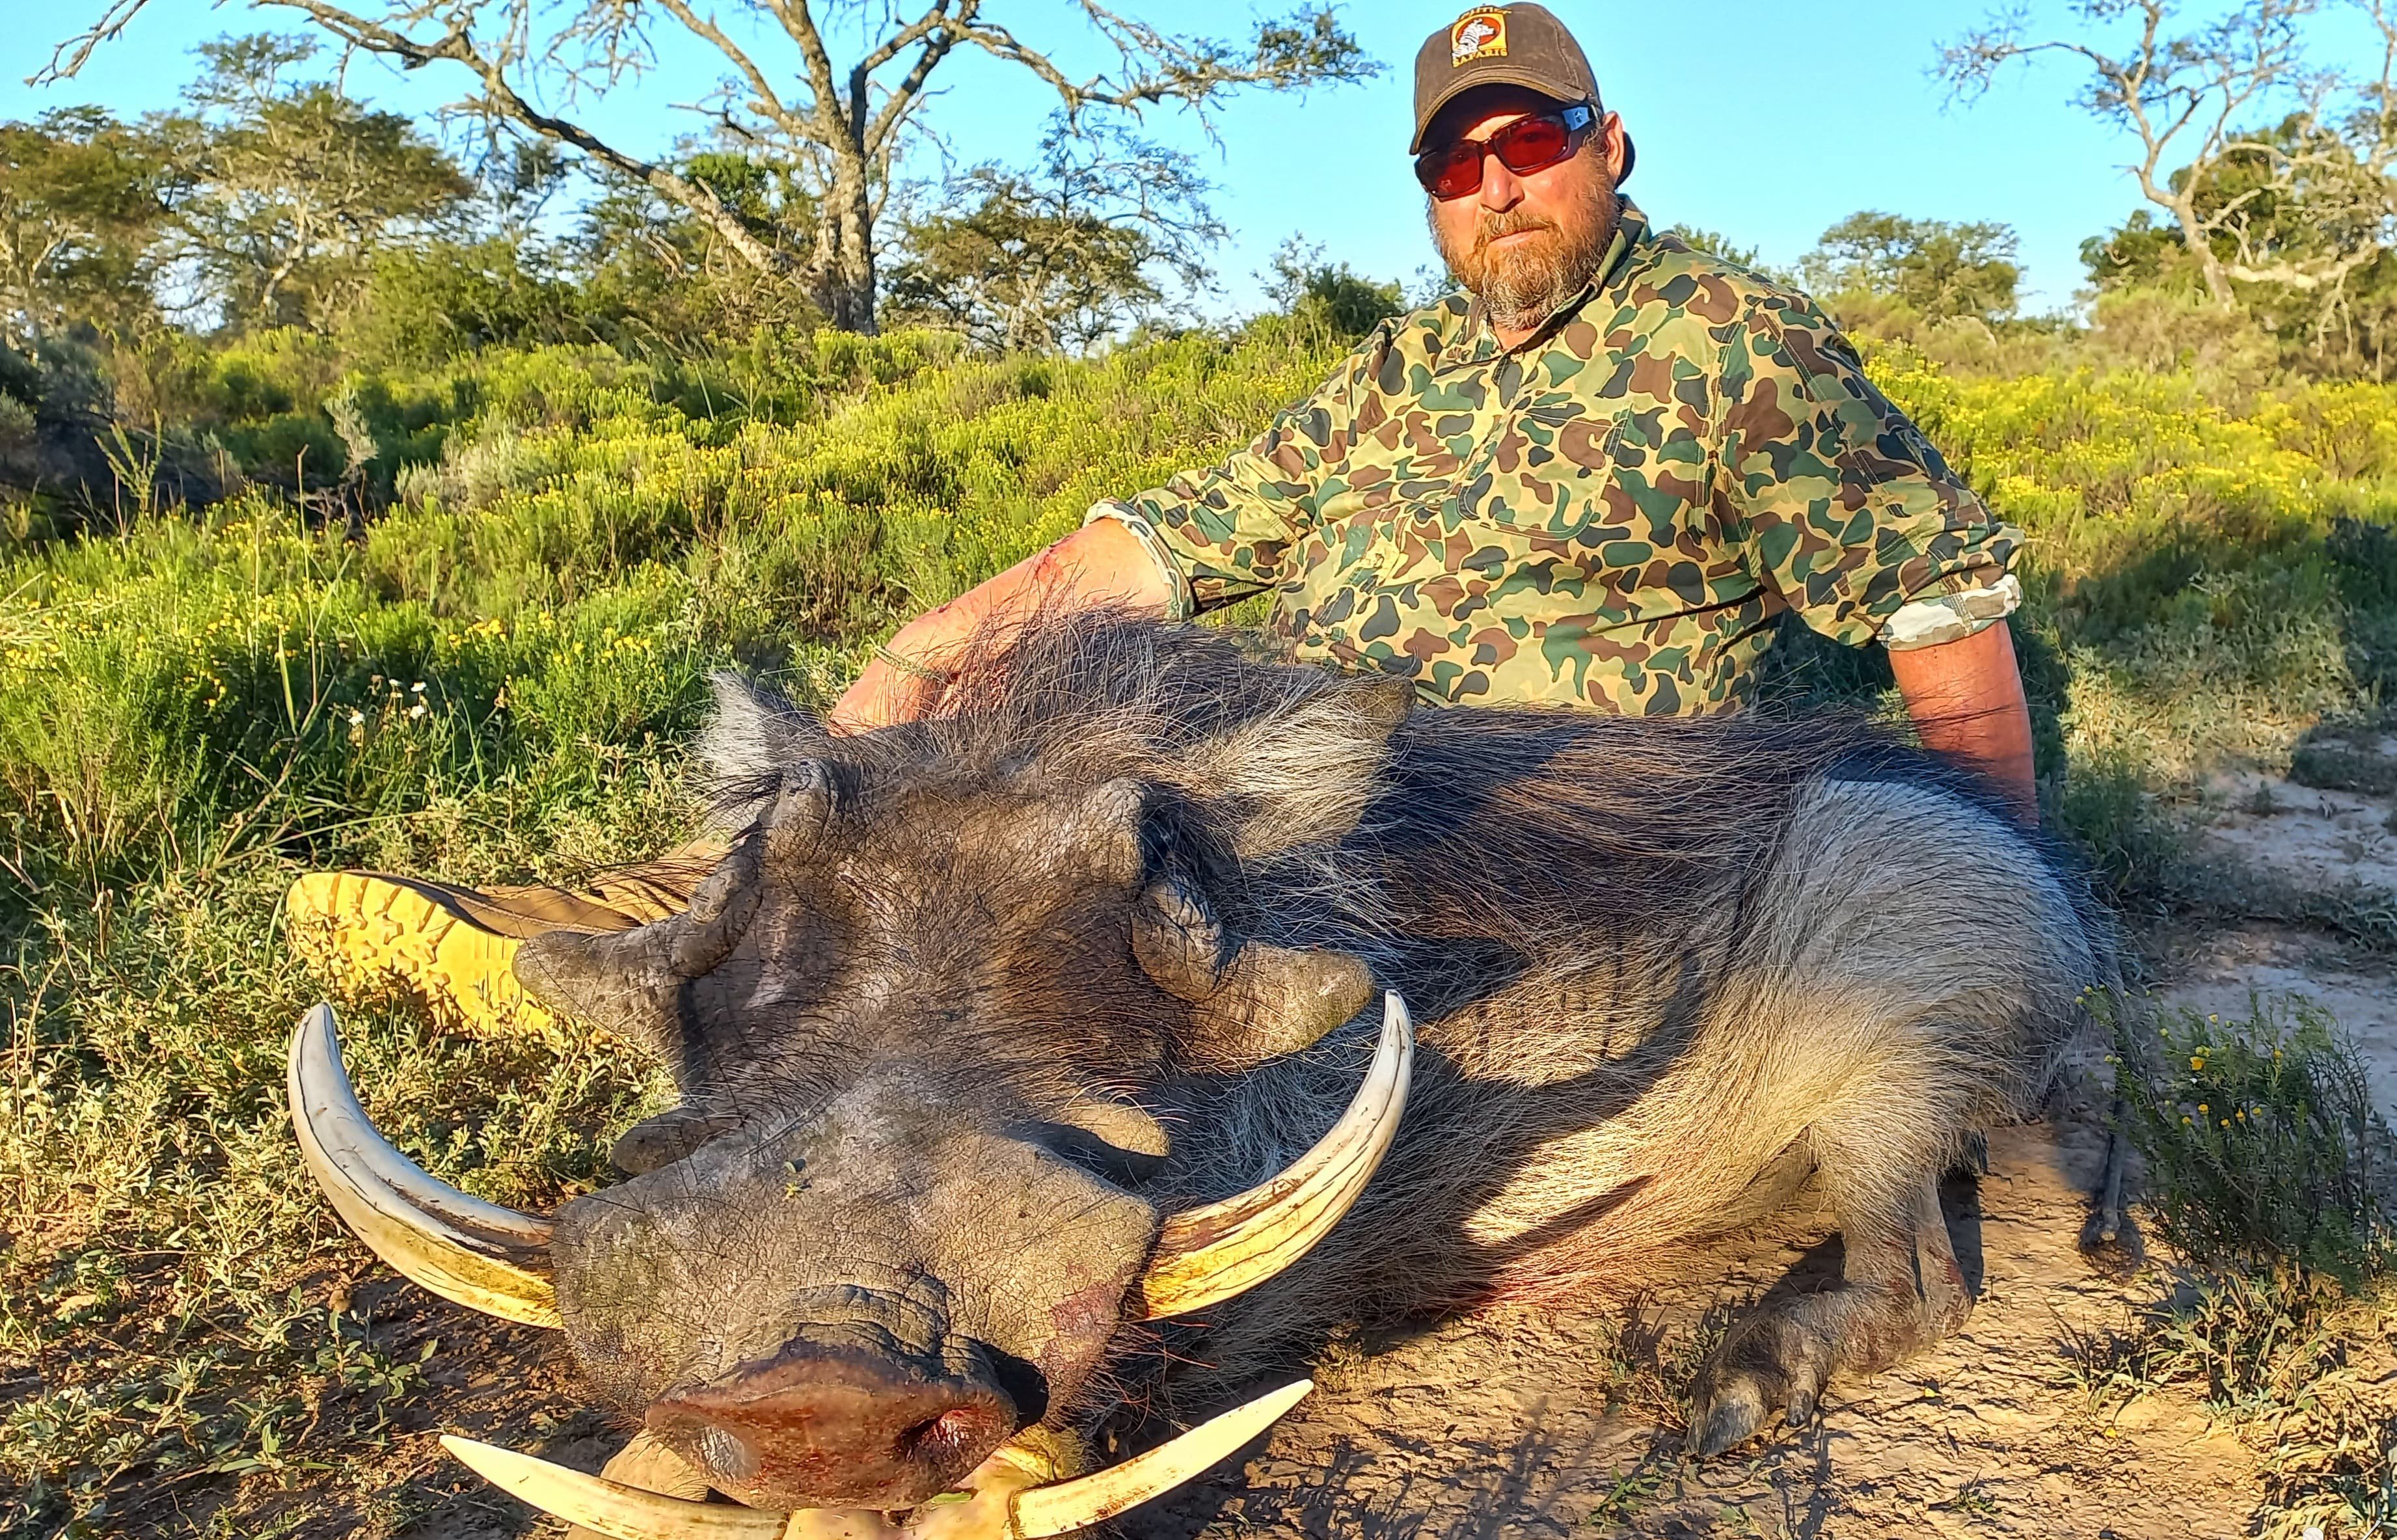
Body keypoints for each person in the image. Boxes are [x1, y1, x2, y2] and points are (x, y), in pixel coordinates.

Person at [289, 2, 2038, 1037]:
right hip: (1312, 762)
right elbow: (1143, 550)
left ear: (1610, 146)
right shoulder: (1395, 371)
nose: (1496, 183)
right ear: (1428, 195)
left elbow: (1938, 613)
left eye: (1535, 139)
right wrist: (904, 674)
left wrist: (2017, 909)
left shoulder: (1736, 346)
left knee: (1075, 862)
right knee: (1025, 705)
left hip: (1555, 814)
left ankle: (676, 954)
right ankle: (678, 898)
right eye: (1455, 161)